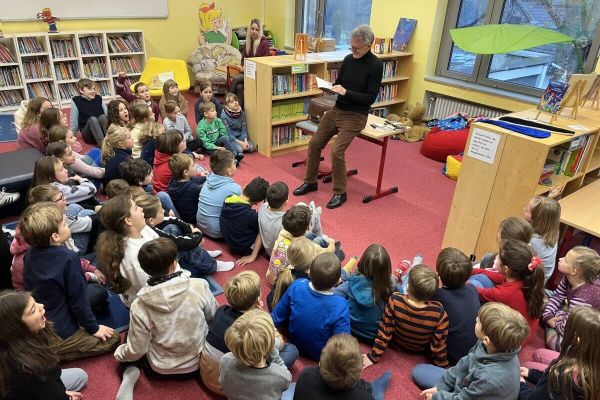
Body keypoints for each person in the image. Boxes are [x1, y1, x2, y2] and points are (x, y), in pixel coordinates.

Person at [114, 238, 218, 399]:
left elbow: (137, 349)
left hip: (161, 370)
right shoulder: (199, 286)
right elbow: (213, 319)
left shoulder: (139, 305)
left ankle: (129, 373)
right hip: (199, 364)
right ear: (173, 263)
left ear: (146, 269)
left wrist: (120, 354)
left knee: (130, 337)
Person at [293, 24, 383, 209]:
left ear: (368, 46)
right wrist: (330, 87)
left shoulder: (376, 65)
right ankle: (310, 181)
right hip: (338, 109)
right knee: (314, 143)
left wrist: (345, 92)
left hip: (356, 115)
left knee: (337, 151)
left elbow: (369, 98)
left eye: (356, 47)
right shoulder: (349, 59)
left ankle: (340, 193)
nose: (352, 50)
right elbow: (339, 83)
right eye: (351, 46)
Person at [20, 202, 119, 360]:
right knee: (113, 338)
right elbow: (78, 301)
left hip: (43, 319)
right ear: (55, 236)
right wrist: (93, 329)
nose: (68, 226)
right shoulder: (69, 259)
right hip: (61, 330)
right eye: (65, 224)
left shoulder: (30, 253)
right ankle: (55, 353)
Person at [201, 271, 298, 395]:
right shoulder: (253, 329)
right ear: (258, 300)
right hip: (228, 386)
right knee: (291, 350)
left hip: (208, 375)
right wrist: (264, 317)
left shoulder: (221, 310)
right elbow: (278, 345)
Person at [413, 303, 530, 400]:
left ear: (486, 339)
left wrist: (438, 397)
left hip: (474, 393)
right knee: (419, 371)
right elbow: (465, 363)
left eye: (479, 322)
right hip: (468, 385)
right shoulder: (492, 345)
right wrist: (441, 387)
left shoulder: (490, 379)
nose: (476, 319)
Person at [0, 290, 89, 400]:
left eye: (35, 302)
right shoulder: (26, 367)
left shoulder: (15, 342)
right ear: (17, 327)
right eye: (33, 310)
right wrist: (66, 397)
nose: (41, 306)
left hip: (35, 385)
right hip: (33, 386)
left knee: (80, 376)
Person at [363, 264, 449, 368]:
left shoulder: (395, 300)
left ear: (407, 286)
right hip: (419, 350)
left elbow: (385, 329)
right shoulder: (439, 312)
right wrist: (443, 366)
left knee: (397, 286)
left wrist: (374, 356)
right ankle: (411, 266)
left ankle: (402, 273)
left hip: (396, 345)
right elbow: (438, 343)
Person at [272, 253, 350, 360]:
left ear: (309, 272)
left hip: (293, 340)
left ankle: (347, 274)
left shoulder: (298, 285)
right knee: (348, 285)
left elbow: (276, 316)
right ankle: (348, 275)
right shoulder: (341, 304)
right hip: (320, 354)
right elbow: (342, 344)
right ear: (337, 281)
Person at [134, 193, 233, 274]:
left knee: (172, 227)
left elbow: (174, 220)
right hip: (163, 268)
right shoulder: (153, 232)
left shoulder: (148, 224)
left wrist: (191, 230)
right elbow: (182, 243)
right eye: (161, 211)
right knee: (185, 246)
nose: (164, 211)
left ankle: (203, 253)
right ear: (151, 220)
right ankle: (212, 265)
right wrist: (197, 235)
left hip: (160, 256)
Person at [470, 239, 546, 344]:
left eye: (498, 257)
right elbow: (495, 276)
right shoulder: (524, 276)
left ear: (506, 268)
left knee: (474, 285)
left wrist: (459, 276)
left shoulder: (505, 293)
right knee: (482, 277)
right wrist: (469, 269)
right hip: (524, 329)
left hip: (513, 340)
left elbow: (477, 291)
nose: (496, 257)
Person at [519, 306, 599, 400]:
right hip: (561, 378)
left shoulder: (562, 376)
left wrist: (521, 384)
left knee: (526, 364)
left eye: (567, 326)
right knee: (537, 354)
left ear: (577, 339)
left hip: (558, 382)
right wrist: (532, 374)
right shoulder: (590, 359)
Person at [96, 195, 159, 308]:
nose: (141, 208)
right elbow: (154, 290)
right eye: (135, 208)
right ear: (128, 220)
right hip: (147, 302)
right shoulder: (133, 257)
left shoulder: (143, 229)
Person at [289, 334, 391, 400]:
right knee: (374, 393)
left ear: (320, 363)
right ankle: (373, 389)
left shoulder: (306, 374)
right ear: (360, 372)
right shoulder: (364, 398)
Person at [219, 309, 292, 400]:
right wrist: (273, 352)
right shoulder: (279, 375)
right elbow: (288, 378)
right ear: (270, 344)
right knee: (292, 351)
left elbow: (222, 384)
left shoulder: (225, 360)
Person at [542, 246, 600, 351]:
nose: (560, 259)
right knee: (540, 295)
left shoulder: (584, 297)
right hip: (568, 307)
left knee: (558, 343)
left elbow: (566, 328)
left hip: (582, 328)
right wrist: (548, 316)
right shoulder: (568, 277)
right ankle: (550, 321)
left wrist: (553, 323)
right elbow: (558, 296)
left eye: (566, 260)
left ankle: (549, 329)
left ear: (574, 271)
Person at [334, 244, 393, 343]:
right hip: (374, 335)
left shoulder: (352, 281)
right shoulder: (390, 287)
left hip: (352, 329)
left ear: (362, 263)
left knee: (343, 284)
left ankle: (346, 270)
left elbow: (332, 293)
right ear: (387, 269)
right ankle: (402, 274)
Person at [433, 247, 480, 365]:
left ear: (438, 273)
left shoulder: (437, 296)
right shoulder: (472, 289)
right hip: (475, 353)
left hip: (451, 358)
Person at [267, 205, 336, 285]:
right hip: (287, 283)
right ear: (308, 227)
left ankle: (316, 214)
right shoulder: (308, 247)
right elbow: (329, 251)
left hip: (271, 277)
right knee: (320, 241)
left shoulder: (282, 233)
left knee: (310, 236)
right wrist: (332, 242)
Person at [220, 176, 269, 264]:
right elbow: (262, 231)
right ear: (257, 203)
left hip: (230, 242)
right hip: (245, 248)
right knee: (266, 227)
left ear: (245, 187)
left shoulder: (228, 199)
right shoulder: (250, 215)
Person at [196, 149, 242, 238]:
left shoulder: (207, 181)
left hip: (201, 225)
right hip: (217, 231)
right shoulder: (235, 189)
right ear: (228, 171)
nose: (235, 164)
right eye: (234, 163)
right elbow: (240, 213)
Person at [229, 19, 271, 107]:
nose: (254, 31)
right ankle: (240, 110)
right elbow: (243, 58)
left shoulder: (264, 43)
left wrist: (250, 69)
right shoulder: (248, 42)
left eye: (257, 29)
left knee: (236, 79)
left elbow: (266, 62)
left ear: (260, 31)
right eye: (252, 29)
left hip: (258, 75)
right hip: (248, 73)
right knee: (239, 87)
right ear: (249, 29)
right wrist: (243, 66)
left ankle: (227, 101)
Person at [267, 238, 315, 311]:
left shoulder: (284, 273)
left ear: (288, 258)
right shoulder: (309, 283)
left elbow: (271, 298)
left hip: (273, 309)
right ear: (312, 260)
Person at [32, 156, 97, 206]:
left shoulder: (38, 188)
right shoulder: (56, 190)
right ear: (50, 176)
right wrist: (81, 179)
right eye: (61, 169)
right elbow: (92, 189)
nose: (66, 170)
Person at [523, 196, 561, 281]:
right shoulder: (552, 231)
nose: (523, 209)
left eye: (526, 210)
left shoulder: (532, 241)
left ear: (536, 219)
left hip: (532, 281)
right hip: (543, 277)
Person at [168, 153, 206, 224]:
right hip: (193, 218)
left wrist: (205, 177)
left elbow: (193, 179)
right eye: (192, 166)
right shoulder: (193, 188)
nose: (195, 167)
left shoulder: (173, 180)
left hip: (184, 214)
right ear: (186, 172)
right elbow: (206, 191)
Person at [70, 78, 108, 145]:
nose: (93, 91)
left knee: (103, 117)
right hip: (88, 134)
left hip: (102, 132)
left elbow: (107, 114)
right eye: (90, 89)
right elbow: (74, 122)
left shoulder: (98, 98)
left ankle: (112, 141)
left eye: (94, 89)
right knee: (92, 119)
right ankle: (103, 146)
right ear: (81, 90)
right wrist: (71, 136)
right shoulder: (76, 100)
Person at [258, 181, 289, 255]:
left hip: (268, 251)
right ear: (285, 202)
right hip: (279, 255)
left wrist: (253, 255)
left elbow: (260, 233)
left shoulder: (262, 207)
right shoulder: (286, 221)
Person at [153, 129, 186, 193]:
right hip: (169, 195)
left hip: (157, 191)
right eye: (182, 140)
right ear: (174, 147)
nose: (184, 141)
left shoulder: (161, 156)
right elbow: (189, 175)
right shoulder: (174, 162)